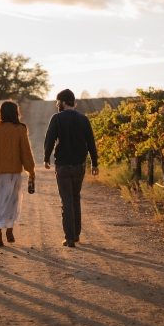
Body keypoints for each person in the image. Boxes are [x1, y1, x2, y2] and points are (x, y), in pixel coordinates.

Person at [43, 89, 99, 248]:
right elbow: (91, 143)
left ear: (62, 102)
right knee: (75, 198)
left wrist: (46, 158)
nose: (56, 104)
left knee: (66, 200)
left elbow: (50, 140)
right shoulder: (83, 119)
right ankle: (75, 234)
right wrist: (94, 164)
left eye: (57, 101)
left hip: (62, 167)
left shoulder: (57, 118)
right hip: (79, 166)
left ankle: (68, 238)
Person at [0, 100, 35, 247]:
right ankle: (9, 230)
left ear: (0, 113)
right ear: (16, 113)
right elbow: (26, 153)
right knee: (11, 202)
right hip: (13, 174)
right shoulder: (20, 129)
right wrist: (31, 171)